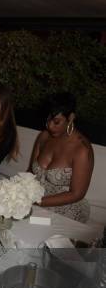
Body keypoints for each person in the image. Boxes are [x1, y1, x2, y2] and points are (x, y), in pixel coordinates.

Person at [29, 92, 93, 223]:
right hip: (35, 200)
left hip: (66, 208)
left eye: (56, 122)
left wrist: (37, 201)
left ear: (71, 117)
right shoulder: (44, 136)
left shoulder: (82, 149)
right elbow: (30, 172)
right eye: (47, 120)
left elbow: (77, 194)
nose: (49, 126)